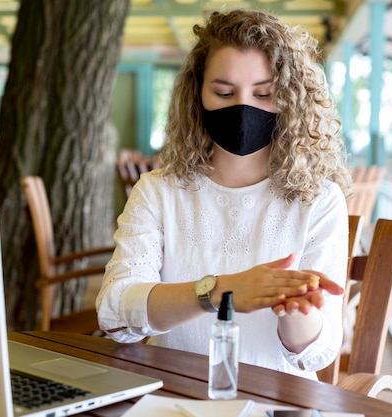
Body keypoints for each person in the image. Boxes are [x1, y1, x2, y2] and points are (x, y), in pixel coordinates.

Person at [96, 9, 353, 380]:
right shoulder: (158, 192)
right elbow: (115, 314)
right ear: (197, 93)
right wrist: (219, 291)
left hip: (275, 401)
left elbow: (318, 355)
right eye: (224, 92)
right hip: (174, 397)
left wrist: (298, 312)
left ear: (290, 100)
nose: (243, 108)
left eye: (264, 93)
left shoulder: (319, 200)